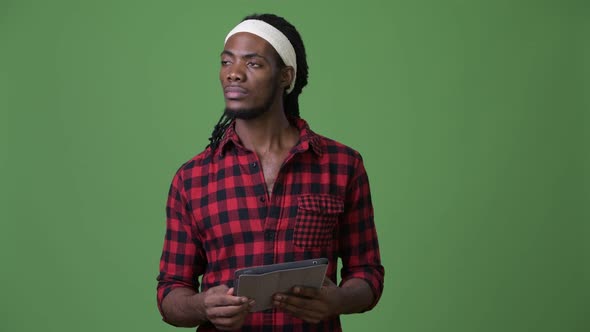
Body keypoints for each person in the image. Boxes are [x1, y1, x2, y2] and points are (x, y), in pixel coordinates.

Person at [156, 13, 384, 331]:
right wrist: (201, 306)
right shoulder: (192, 179)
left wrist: (339, 301)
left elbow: (368, 273)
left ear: (285, 77)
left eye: (253, 64)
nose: (233, 74)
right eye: (226, 62)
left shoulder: (342, 166)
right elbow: (170, 292)